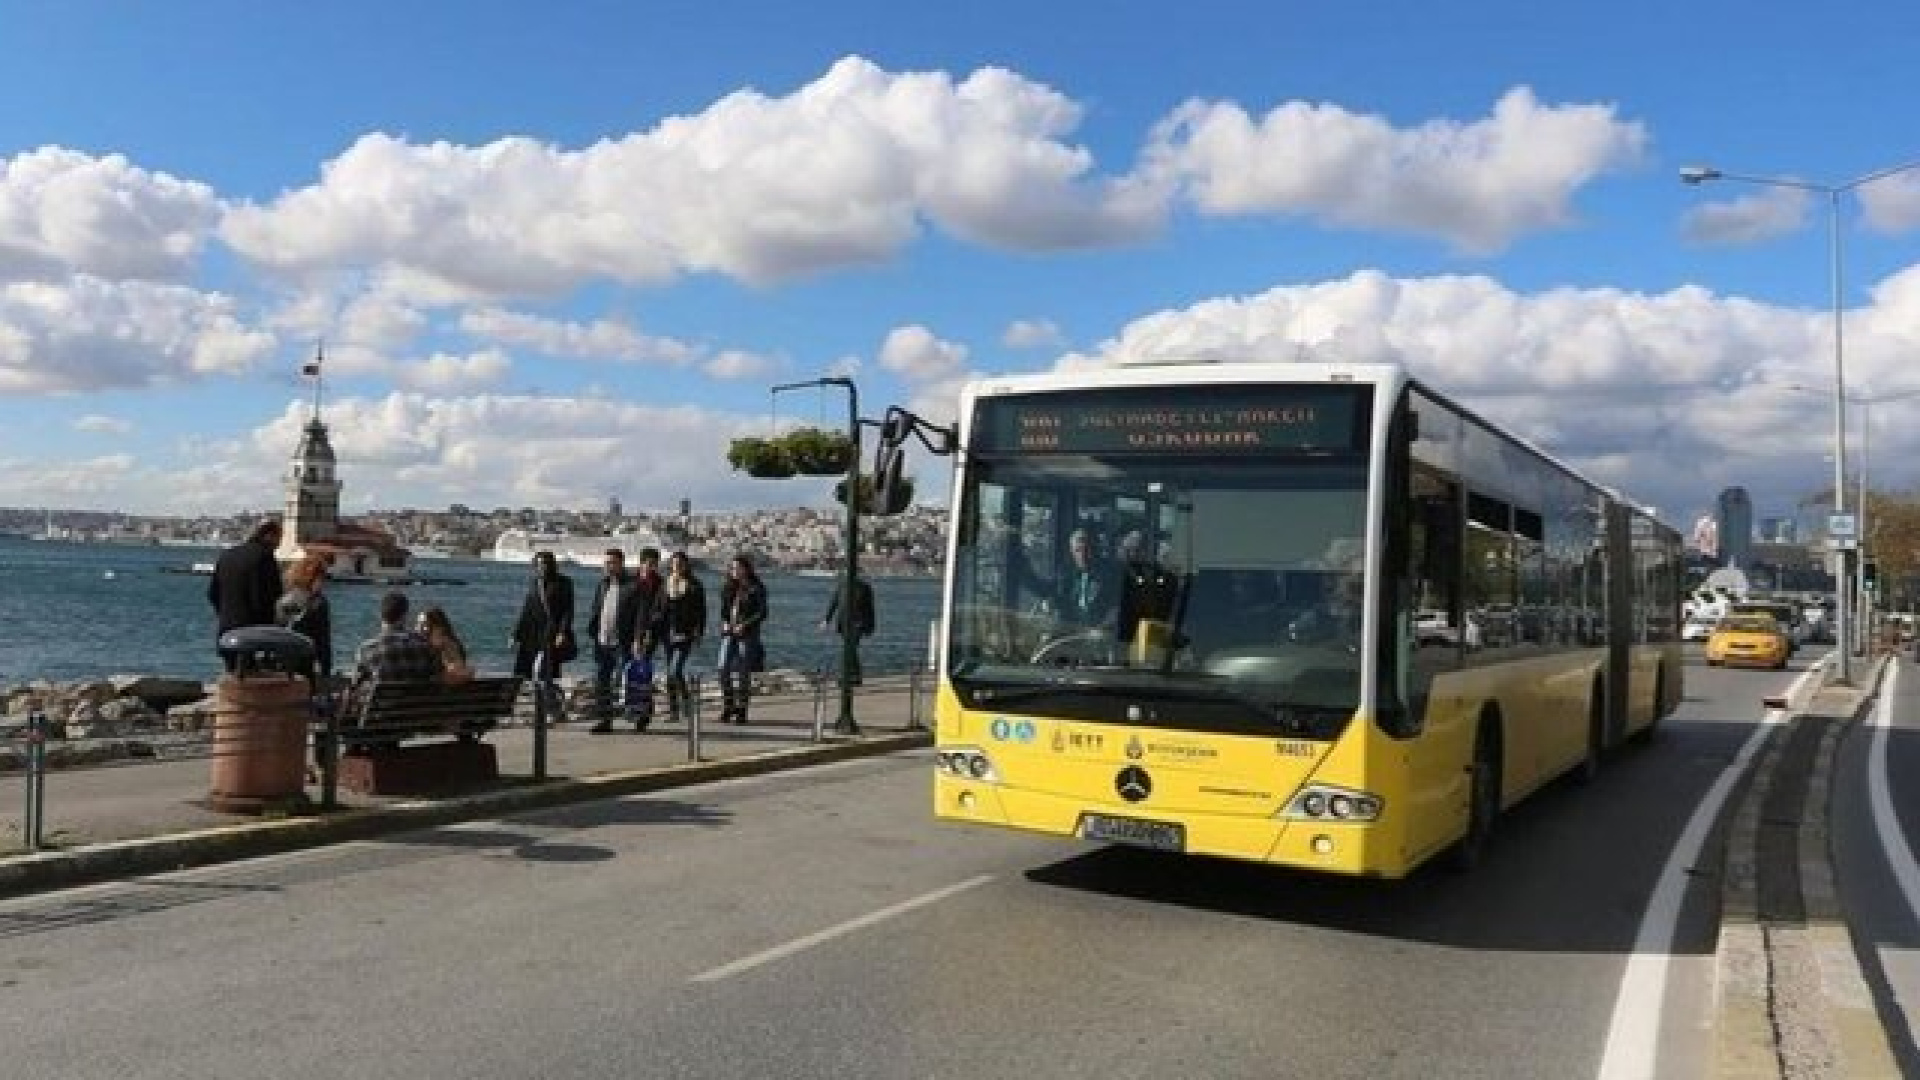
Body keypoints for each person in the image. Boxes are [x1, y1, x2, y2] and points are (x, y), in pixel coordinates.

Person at [347, 591, 444, 720]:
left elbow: (354, 687)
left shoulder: (367, 649)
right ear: (405, 616)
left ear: (381, 615)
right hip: (418, 716)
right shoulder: (424, 645)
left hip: (381, 717)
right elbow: (438, 677)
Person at [207, 518, 284, 668]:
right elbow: (270, 596)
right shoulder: (265, 557)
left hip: (226, 629)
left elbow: (212, 593)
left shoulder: (227, 556)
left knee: (231, 673)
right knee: (252, 680)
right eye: (278, 539)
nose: (279, 544)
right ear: (269, 536)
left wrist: (224, 614)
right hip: (252, 634)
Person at [512, 551, 576, 725]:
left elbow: (567, 611)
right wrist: (515, 635)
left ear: (552, 565)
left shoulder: (564, 583)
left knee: (542, 673)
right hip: (532, 636)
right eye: (539, 564)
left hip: (551, 636)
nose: (542, 567)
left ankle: (549, 711)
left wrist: (562, 632)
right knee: (530, 675)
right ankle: (555, 706)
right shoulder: (535, 583)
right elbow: (527, 610)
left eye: (545, 564)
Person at [584, 549, 639, 731]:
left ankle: (639, 714)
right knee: (602, 681)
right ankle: (605, 720)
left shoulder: (633, 585)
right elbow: (596, 608)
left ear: (621, 563)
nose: (608, 566)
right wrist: (593, 631)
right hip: (602, 641)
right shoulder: (602, 584)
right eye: (606, 563)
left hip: (623, 641)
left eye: (612, 563)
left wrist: (638, 638)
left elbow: (640, 615)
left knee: (626, 680)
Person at [717, 554, 767, 725]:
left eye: (737, 568)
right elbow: (724, 610)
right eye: (732, 568)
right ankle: (728, 704)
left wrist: (744, 625)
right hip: (729, 632)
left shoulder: (756, 588)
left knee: (743, 671)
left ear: (745, 569)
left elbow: (762, 613)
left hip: (747, 634)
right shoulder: (728, 587)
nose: (734, 571)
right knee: (723, 666)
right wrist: (724, 622)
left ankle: (742, 709)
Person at [660, 551, 707, 723]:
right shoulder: (665, 584)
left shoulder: (694, 585)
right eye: (674, 563)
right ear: (671, 565)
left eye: (680, 563)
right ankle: (674, 711)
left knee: (675, 670)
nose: (677, 566)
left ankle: (687, 705)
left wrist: (699, 631)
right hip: (667, 633)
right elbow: (660, 608)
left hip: (685, 633)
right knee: (669, 673)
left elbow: (701, 611)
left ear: (686, 565)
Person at [275, 552, 334, 684]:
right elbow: (323, 639)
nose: (324, 582)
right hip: (304, 660)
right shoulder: (318, 602)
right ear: (314, 577)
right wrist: (326, 669)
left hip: (281, 659)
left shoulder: (283, 599)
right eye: (322, 577)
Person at [627, 547, 667, 730]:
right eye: (648, 563)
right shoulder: (633, 581)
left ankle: (643, 714)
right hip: (628, 632)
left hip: (647, 633)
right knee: (632, 673)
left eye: (654, 564)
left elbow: (659, 611)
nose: (651, 567)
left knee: (643, 672)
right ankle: (634, 710)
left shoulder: (660, 584)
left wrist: (646, 633)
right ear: (641, 563)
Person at [820, 572, 875, 687]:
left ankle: (847, 676)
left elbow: (870, 608)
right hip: (843, 622)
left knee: (850, 648)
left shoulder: (865, 587)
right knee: (849, 649)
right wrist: (826, 620)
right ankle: (854, 677)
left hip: (858, 623)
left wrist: (870, 626)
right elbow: (834, 603)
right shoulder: (842, 585)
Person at [1052, 527, 1115, 628]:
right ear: (1071, 551)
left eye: (1086, 550)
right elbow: (1059, 599)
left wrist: (1103, 627)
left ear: (1095, 549)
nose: (1082, 556)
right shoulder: (1065, 573)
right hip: (1069, 629)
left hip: (1099, 630)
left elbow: (1115, 607)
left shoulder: (1109, 573)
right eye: (1078, 550)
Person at [418, 606, 473, 685]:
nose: (419, 628)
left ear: (439, 627)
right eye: (418, 624)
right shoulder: (424, 646)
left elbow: (458, 669)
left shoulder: (447, 645)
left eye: (424, 624)